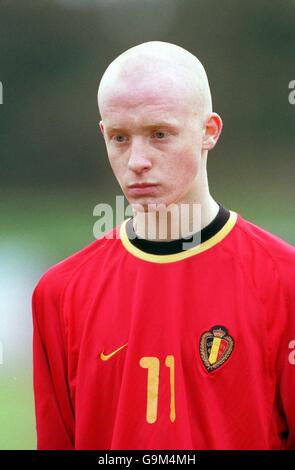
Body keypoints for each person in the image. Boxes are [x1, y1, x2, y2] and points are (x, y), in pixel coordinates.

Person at [32, 41, 295, 450]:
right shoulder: (59, 294)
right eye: (120, 137)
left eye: (159, 134)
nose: (137, 160)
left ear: (209, 132)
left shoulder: (284, 281)